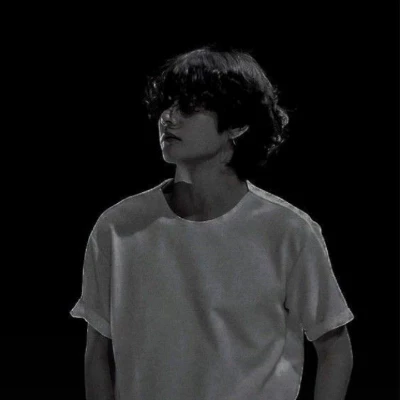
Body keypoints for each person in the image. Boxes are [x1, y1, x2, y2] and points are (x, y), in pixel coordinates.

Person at [70, 45, 355, 400]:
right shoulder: (116, 228)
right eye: (167, 104)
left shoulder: (289, 231)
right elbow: (97, 354)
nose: (168, 117)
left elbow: (334, 348)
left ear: (237, 124)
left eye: (189, 105)